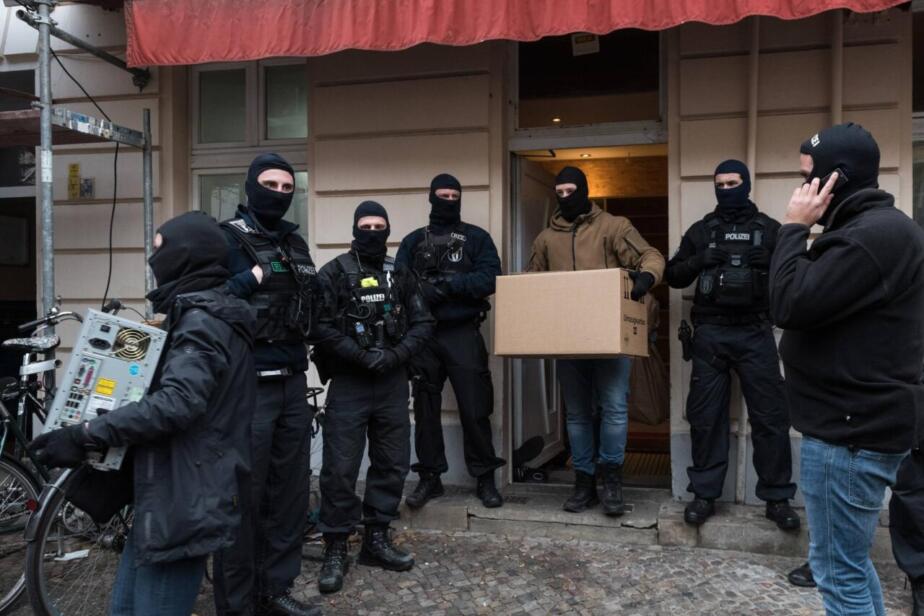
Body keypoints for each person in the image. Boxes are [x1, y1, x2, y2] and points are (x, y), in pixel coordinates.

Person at [28, 212, 261, 616]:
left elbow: (178, 403)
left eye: (159, 250)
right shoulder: (200, 313)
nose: (154, 261)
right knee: (124, 609)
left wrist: (86, 433)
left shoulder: (203, 321)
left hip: (185, 497)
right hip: (170, 489)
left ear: (185, 256)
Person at [769, 122, 924, 616]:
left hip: (849, 435)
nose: (801, 189)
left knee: (838, 574)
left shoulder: (869, 238)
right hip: (853, 427)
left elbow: (788, 303)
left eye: (807, 177)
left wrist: (793, 227)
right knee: (850, 567)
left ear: (836, 178)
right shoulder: (872, 231)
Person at [665, 159, 799, 530]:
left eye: (733, 182)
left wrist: (772, 261)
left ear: (747, 184)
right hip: (711, 334)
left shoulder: (770, 229)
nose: (726, 189)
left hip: (756, 332)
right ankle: (704, 495)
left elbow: (799, 276)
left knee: (771, 417)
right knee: (706, 417)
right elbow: (672, 275)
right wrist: (698, 260)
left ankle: (777, 499)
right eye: (720, 184)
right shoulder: (701, 231)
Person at [214, 153, 320, 616]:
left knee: (289, 495)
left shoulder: (296, 243)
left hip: (293, 382)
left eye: (286, 187)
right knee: (243, 499)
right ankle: (237, 604)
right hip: (247, 386)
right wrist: (251, 276)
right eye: (270, 185)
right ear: (250, 186)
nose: (278, 193)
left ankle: (275, 589)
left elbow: (311, 303)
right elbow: (204, 301)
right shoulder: (225, 239)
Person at [312, 201, 435, 594]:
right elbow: (320, 327)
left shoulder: (400, 272)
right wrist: (359, 355)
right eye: (365, 226)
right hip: (350, 381)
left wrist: (396, 356)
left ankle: (376, 538)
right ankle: (335, 544)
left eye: (379, 225)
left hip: (392, 381)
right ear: (354, 229)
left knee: (392, 463)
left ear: (388, 229)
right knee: (340, 468)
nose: (372, 232)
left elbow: (423, 322)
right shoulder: (333, 273)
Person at [526, 166, 664, 515]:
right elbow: (531, 283)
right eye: (560, 192)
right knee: (577, 414)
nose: (565, 197)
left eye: (571, 190)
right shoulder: (546, 239)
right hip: (568, 339)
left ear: (584, 191)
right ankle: (583, 481)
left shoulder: (614, 227)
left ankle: (612, 479)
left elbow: (651, 256)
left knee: (614, 408)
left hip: (610, 336)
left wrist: (646, 278)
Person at [396, 173, 506, 510]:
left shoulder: (476, 238)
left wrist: (447, 287)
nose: (448, 201)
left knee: (475, 407)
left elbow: (491, 277)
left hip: (462, 332)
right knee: (426, 409)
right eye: (442, 195)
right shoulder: (413, 241)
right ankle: (430, 477)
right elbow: (399, 283)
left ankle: (484, 477)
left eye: (453, 196)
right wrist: (421, 292)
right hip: (423, 335)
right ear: (431, 197)